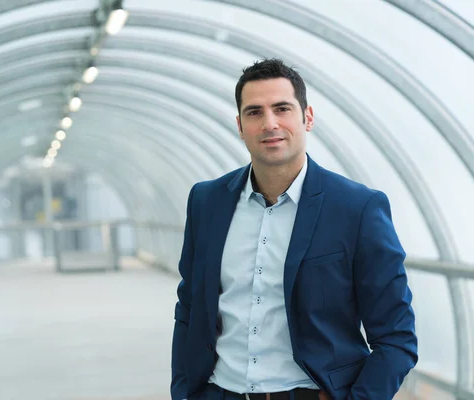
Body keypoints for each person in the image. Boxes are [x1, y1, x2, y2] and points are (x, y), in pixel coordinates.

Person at [170, 58, 417, 400]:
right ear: (240, 125)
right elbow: (190, 305)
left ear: (307, 117)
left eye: (282, 108)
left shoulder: (357, 208)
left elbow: (396, 336)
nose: (269, 123)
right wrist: (184, 391)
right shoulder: (206, 201)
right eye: (254, 112)